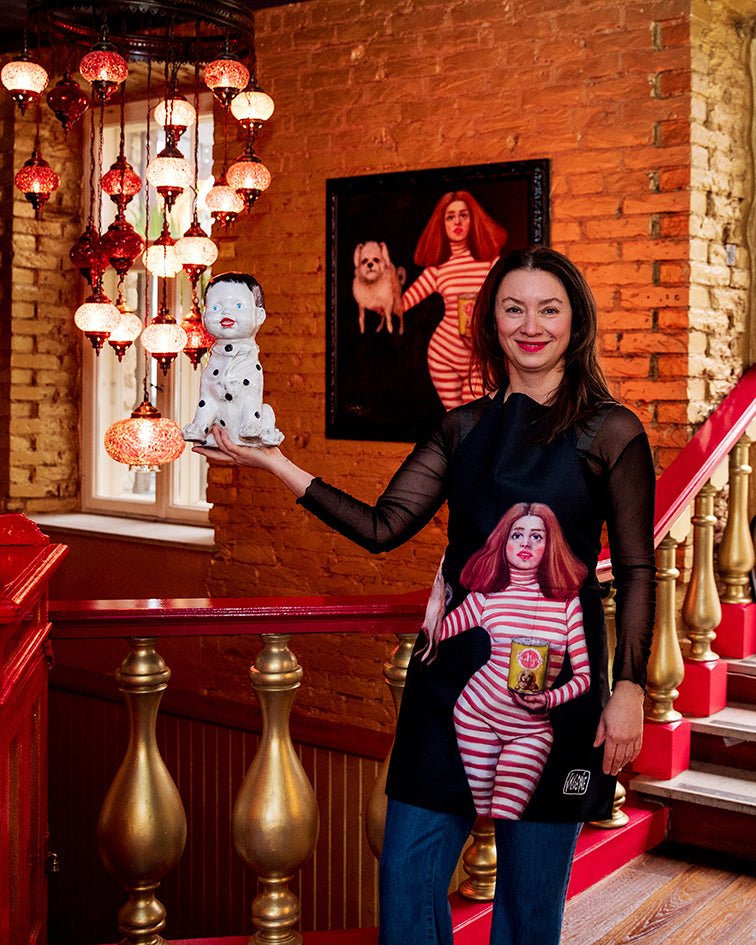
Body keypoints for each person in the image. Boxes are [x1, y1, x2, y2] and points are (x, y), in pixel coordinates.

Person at [193, 247, 656, 945]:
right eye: (513, 307)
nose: (530, 324)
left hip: (552, 693)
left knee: (530, 908)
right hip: (448, 686)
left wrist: (630, 688)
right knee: (407, 879)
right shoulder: (461, 427)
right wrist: (273, 461)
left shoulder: (612, 432)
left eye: (549, 308)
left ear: (575, 322)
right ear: (490, 321)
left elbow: (637, 567)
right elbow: (383, 527)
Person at [427, 502, 591, 820]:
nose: (526, 544)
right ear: (504, 542)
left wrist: (548, 698)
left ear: (549, 544)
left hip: (532, 730)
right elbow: (439, 634)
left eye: (536, 536)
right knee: (484, 814)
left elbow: (583, 675)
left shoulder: (568, 602)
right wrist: (436, 603)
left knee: (507, 811)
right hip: (476, 715)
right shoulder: (487, 596)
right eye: (517, 535)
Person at [401, 191, 507, 409]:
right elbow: (402, 304)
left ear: (473, 220)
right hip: (443, 355)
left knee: (477, 423)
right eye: (450, 217)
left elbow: (509, 302)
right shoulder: (438, 270)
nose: (457, 221)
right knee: (455, 424)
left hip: (480, 358)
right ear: (442, 224)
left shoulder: (491, 263)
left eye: (463, 215)